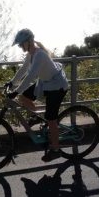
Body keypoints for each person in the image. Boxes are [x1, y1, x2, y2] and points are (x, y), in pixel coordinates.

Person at [6, 28, 69, 162]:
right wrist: (12, 83)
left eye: (21, 44)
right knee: (24, 97)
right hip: (45, 83)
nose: (20, 46)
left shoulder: (39, 55)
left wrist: (16, 91)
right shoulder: (31, 53)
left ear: (29, 41)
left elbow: (30, 76)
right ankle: (36, 116)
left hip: (57, 86)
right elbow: (23, 70)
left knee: (51, 119)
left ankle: (56, 149)